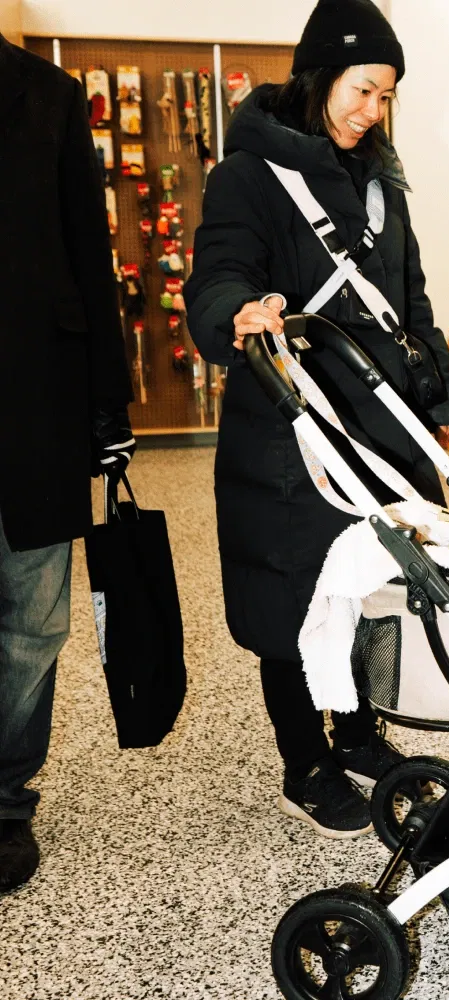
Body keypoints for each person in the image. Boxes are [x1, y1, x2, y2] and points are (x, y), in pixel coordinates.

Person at [184, 0, 449, 839]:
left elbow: (410, 299)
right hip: (291, 428)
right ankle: (303, 758)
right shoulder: (246, 176)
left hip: (378, 428)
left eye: (385, 97)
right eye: (362, 89)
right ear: (319, 77)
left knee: (368, 588)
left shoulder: (386, 182)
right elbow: (218, 272)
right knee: (293, 597)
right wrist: (236, 311)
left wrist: (432, 411)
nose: (371, 112)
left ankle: (356, 731)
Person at [0, 33, 136, 892]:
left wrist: (107, 407)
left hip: (34, 404)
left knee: (33, 618)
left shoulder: (46, 96)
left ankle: (6, 798)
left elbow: (91, 253)